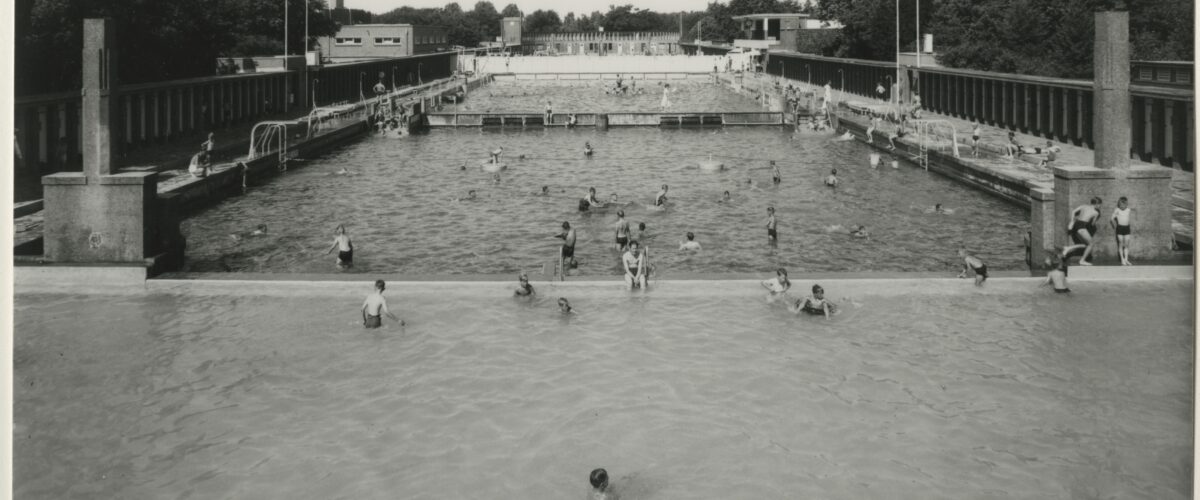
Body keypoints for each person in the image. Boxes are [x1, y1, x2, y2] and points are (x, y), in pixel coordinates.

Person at [1068, 197, 1102, 265]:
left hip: (1076, 225)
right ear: (1097, 204)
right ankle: (1082, 260)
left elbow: (1073, 211)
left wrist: (1072, 221)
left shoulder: (1083, 206)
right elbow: (1092, 224)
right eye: (1100, 205)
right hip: (1081, 226)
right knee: (1091, 244)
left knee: (1085, 244)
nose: (1100, 206)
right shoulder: (1096, 213)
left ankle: (1068, 250)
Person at [1110, 196, 1133, 265]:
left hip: (1127, 228)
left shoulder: (1128, 210)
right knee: (1120, 243)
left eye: (1124, 205)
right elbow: (1111, 219)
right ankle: (1122, 259)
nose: (1122, 207)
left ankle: (1126, 259)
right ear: (1119, 204)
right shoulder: (1117, 210)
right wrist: (1114, 226)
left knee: (1126, 244)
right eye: (1120, 205)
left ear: (1126, 204)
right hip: (1120, 228)